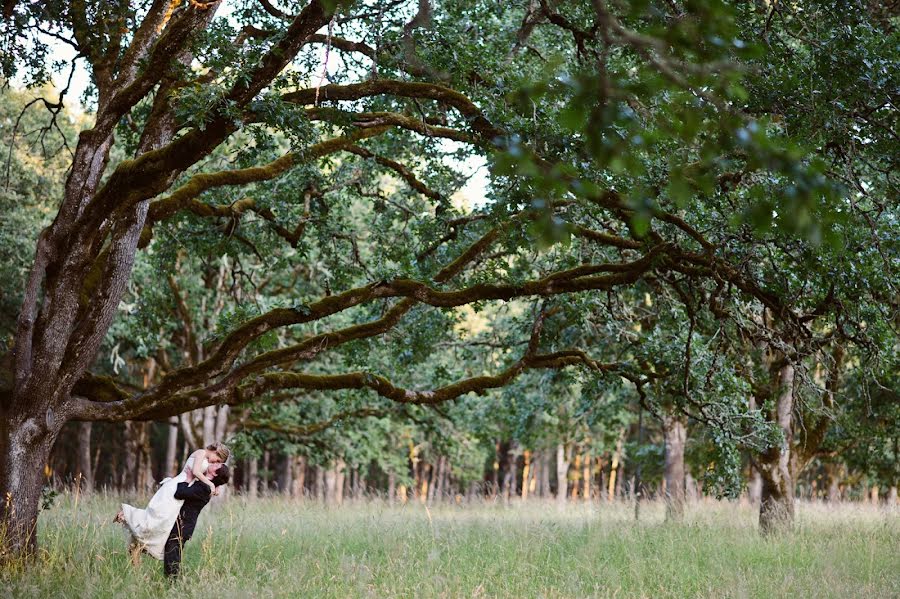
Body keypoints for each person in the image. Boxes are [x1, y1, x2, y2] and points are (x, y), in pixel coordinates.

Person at [115, 442, 230, 560]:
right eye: (217, 460)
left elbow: (208, 474)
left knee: (165, 520)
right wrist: (210, 483)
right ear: (216, 451)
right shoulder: (201, 452)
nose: (214, 463)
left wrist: (217, 485)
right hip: (175, 487)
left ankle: (140, 545)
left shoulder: (206, 460)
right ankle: (127, 514)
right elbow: (196, 472)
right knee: (159, 516)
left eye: (217, 463)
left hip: (183, 489)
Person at [164, 463, 230, 579]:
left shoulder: (204, 488)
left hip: (182, 525)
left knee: (172, 557)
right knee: (173, 556)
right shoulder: (206, 485)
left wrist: (188, 479)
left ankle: (172, 585)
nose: (213, 463)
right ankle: (174, 583)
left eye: (216, 465)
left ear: (214, 473)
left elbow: (179, 493)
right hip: (183, 525)